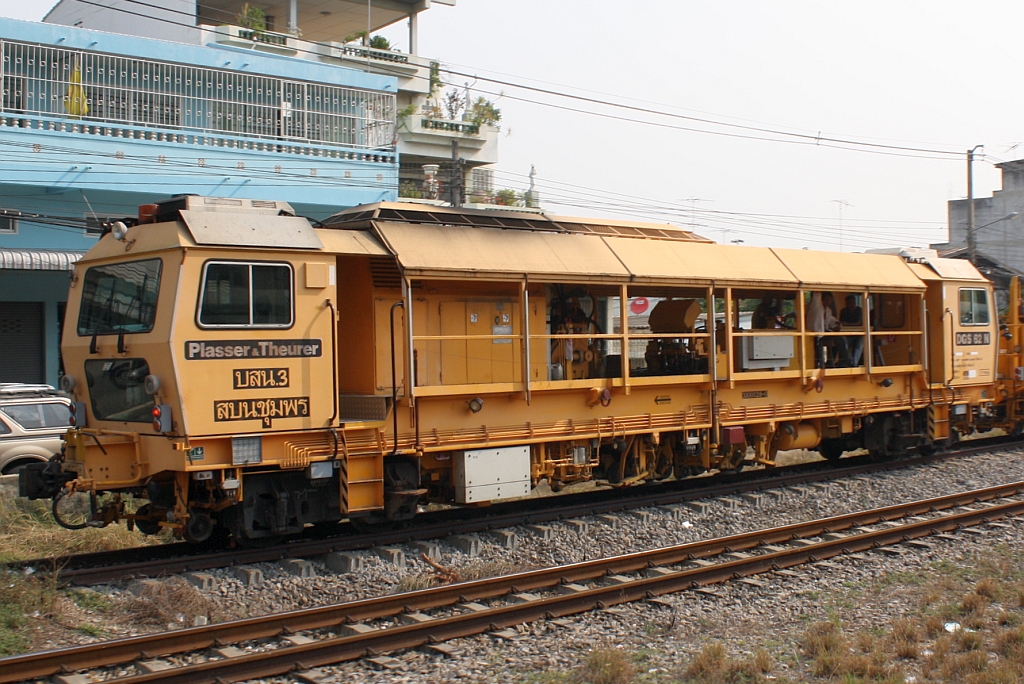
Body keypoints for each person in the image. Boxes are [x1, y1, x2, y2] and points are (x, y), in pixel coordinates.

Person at [840, 295, 864, 366]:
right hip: (848, 334)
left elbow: (859, 323)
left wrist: (847, 324)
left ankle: (854, 364)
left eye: (852, 303)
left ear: (855, 303)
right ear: (846, 304)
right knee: (844, 344)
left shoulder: (859, 310)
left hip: (860, 334)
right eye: (849, 303)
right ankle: (846, 362)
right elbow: (841, 323)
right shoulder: (843, 311)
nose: (851, 305)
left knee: (859, 345)